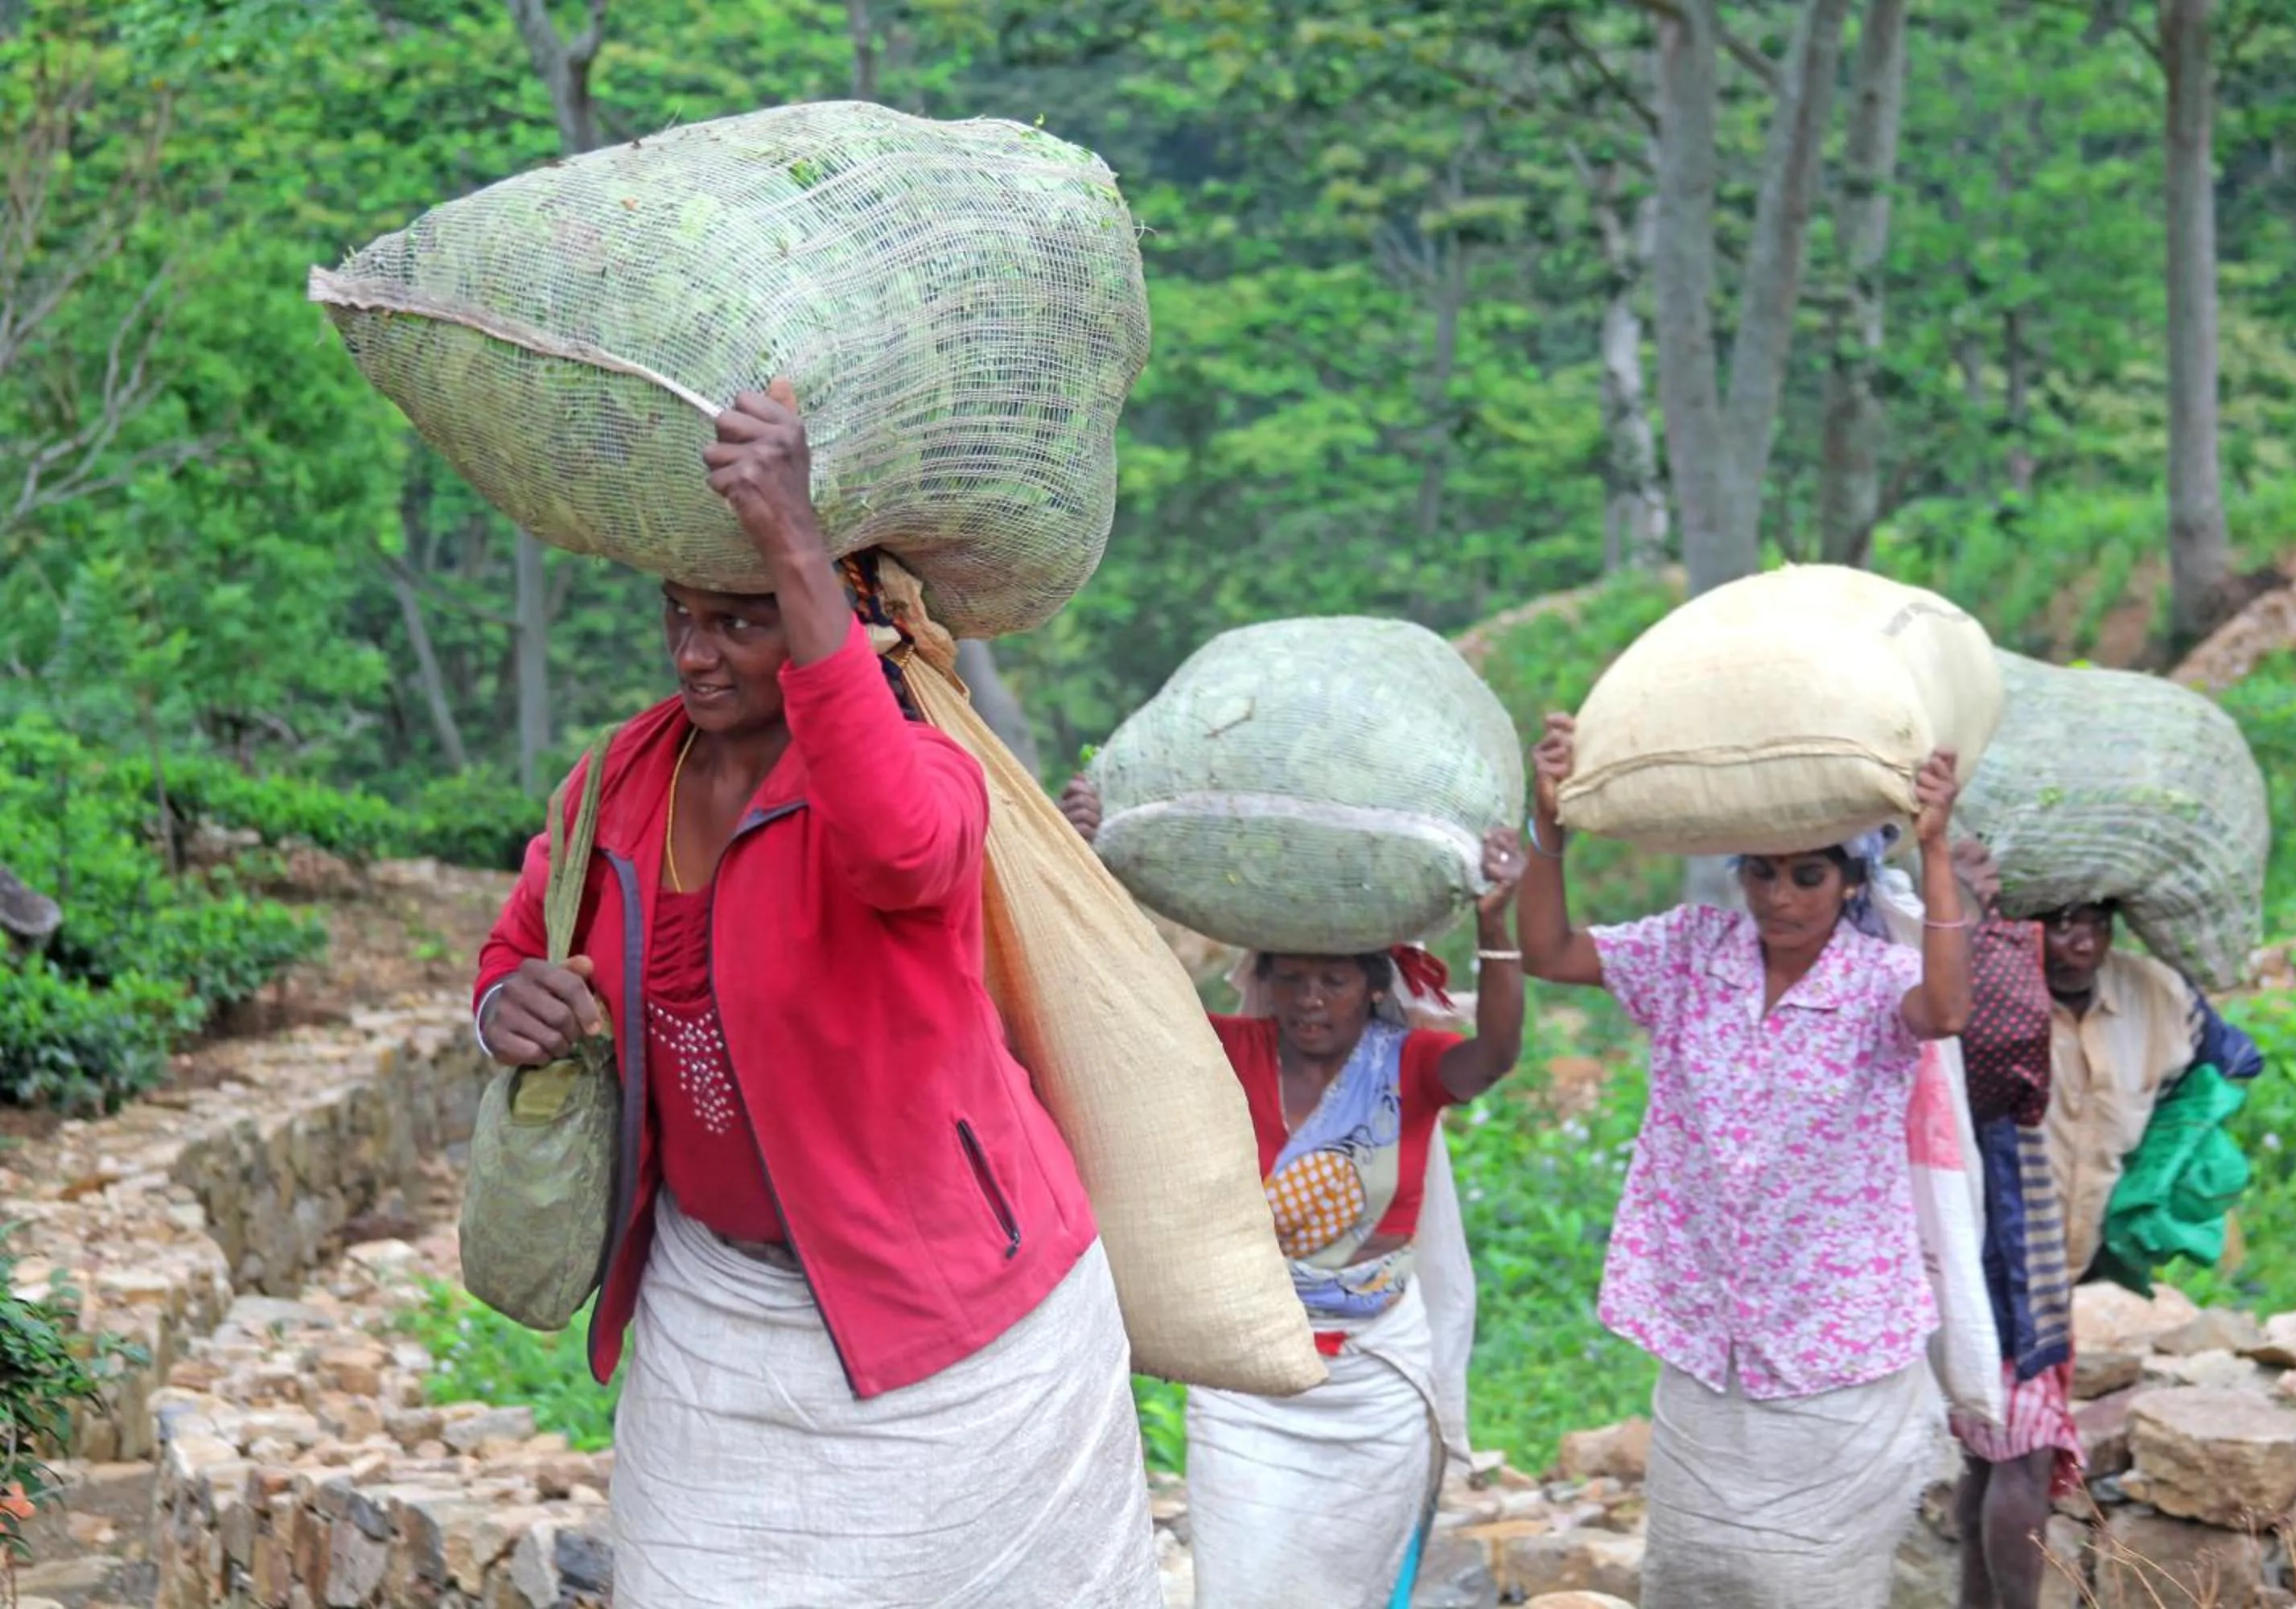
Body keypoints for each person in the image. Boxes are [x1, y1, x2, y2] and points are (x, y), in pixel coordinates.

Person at [471, 381, 1158, 1609]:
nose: (693, 652)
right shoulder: (617, 784)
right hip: (713, 1320)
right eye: (679, 614)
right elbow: (517, 946)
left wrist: (794, 533)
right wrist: (503, 1009)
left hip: (952, 1328)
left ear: (824, 617)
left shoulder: (922, 772)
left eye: (739, 621)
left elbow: (902, 849)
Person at [1516, 710, 1972, 1608]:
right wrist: (1550, 828)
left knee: (1812, 1584)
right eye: (1762, 872)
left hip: (1831, 1339)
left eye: (1809, 874)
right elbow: (1551, 951)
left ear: (1851, 883)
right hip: (1706, 1333)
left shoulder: (1879, 982)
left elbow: (1949, 1007)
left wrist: (1940, 847)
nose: (1781, 895)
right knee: (1697, 1577)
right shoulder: (1689, 953)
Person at [1056, 776, 1528, 1609]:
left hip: (1375, 1381)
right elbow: (1125, 1006)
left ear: (1375, 987)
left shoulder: (1411, 1067)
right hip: (1251, 1379)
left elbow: (1493, 1054)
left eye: (1335, 980)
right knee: (1240, 1582)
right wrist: (1089, 866)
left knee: (1353, 1586)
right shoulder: (1229, 1052)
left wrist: (1497, 928)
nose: (1312, 998)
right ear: (1265, 982)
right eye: (1294, 978)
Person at [1952, 886, 2262, 1609]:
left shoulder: (2155, 995)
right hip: (1992, 1262)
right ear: (2025, 931)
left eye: (2094, 923)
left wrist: (2163, 1178)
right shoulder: (1995, 994)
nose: (2079, 942)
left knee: (1988, 1459)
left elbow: (2227, 1064)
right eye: (2057, 926)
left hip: (2064, 1266)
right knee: (2021, 1455)